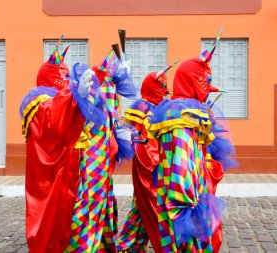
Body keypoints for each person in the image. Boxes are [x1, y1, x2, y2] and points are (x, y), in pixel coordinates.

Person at [148, 30, 235, 252]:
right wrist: (186, 211)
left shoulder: (189, 111)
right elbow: (181, 164)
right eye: (205, 80)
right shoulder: (181, 115)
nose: (208, 87)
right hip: (181, 202)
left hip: (191, 194)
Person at [20, 39, 106, 253]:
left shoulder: (63, 98)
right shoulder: (38, 102)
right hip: (53, 179)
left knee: (74, 218)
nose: (67, 80)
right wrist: (73, 96)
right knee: (53, 222)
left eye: (69, 76)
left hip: (73, 173)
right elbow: (52, 117)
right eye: (63, 76)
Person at [65, 47, 138, 253]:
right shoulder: (98, 84)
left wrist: (122, 132)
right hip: (92, 153)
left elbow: (111, 118)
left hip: (105, 154)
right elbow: (88, 117)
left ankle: (102, 244)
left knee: (103, 197)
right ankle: (81, 246)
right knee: (90, 199)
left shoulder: (110, 85)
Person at [117, 62, 177, 253]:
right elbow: (131, 134)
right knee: (151, 204)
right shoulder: (141, 106)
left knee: (141, 205)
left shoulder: (163, 107)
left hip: (162, 164)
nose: (165, 91)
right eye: (161, 86)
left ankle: (129, 243)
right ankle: (162, 244)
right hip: (148, 166)